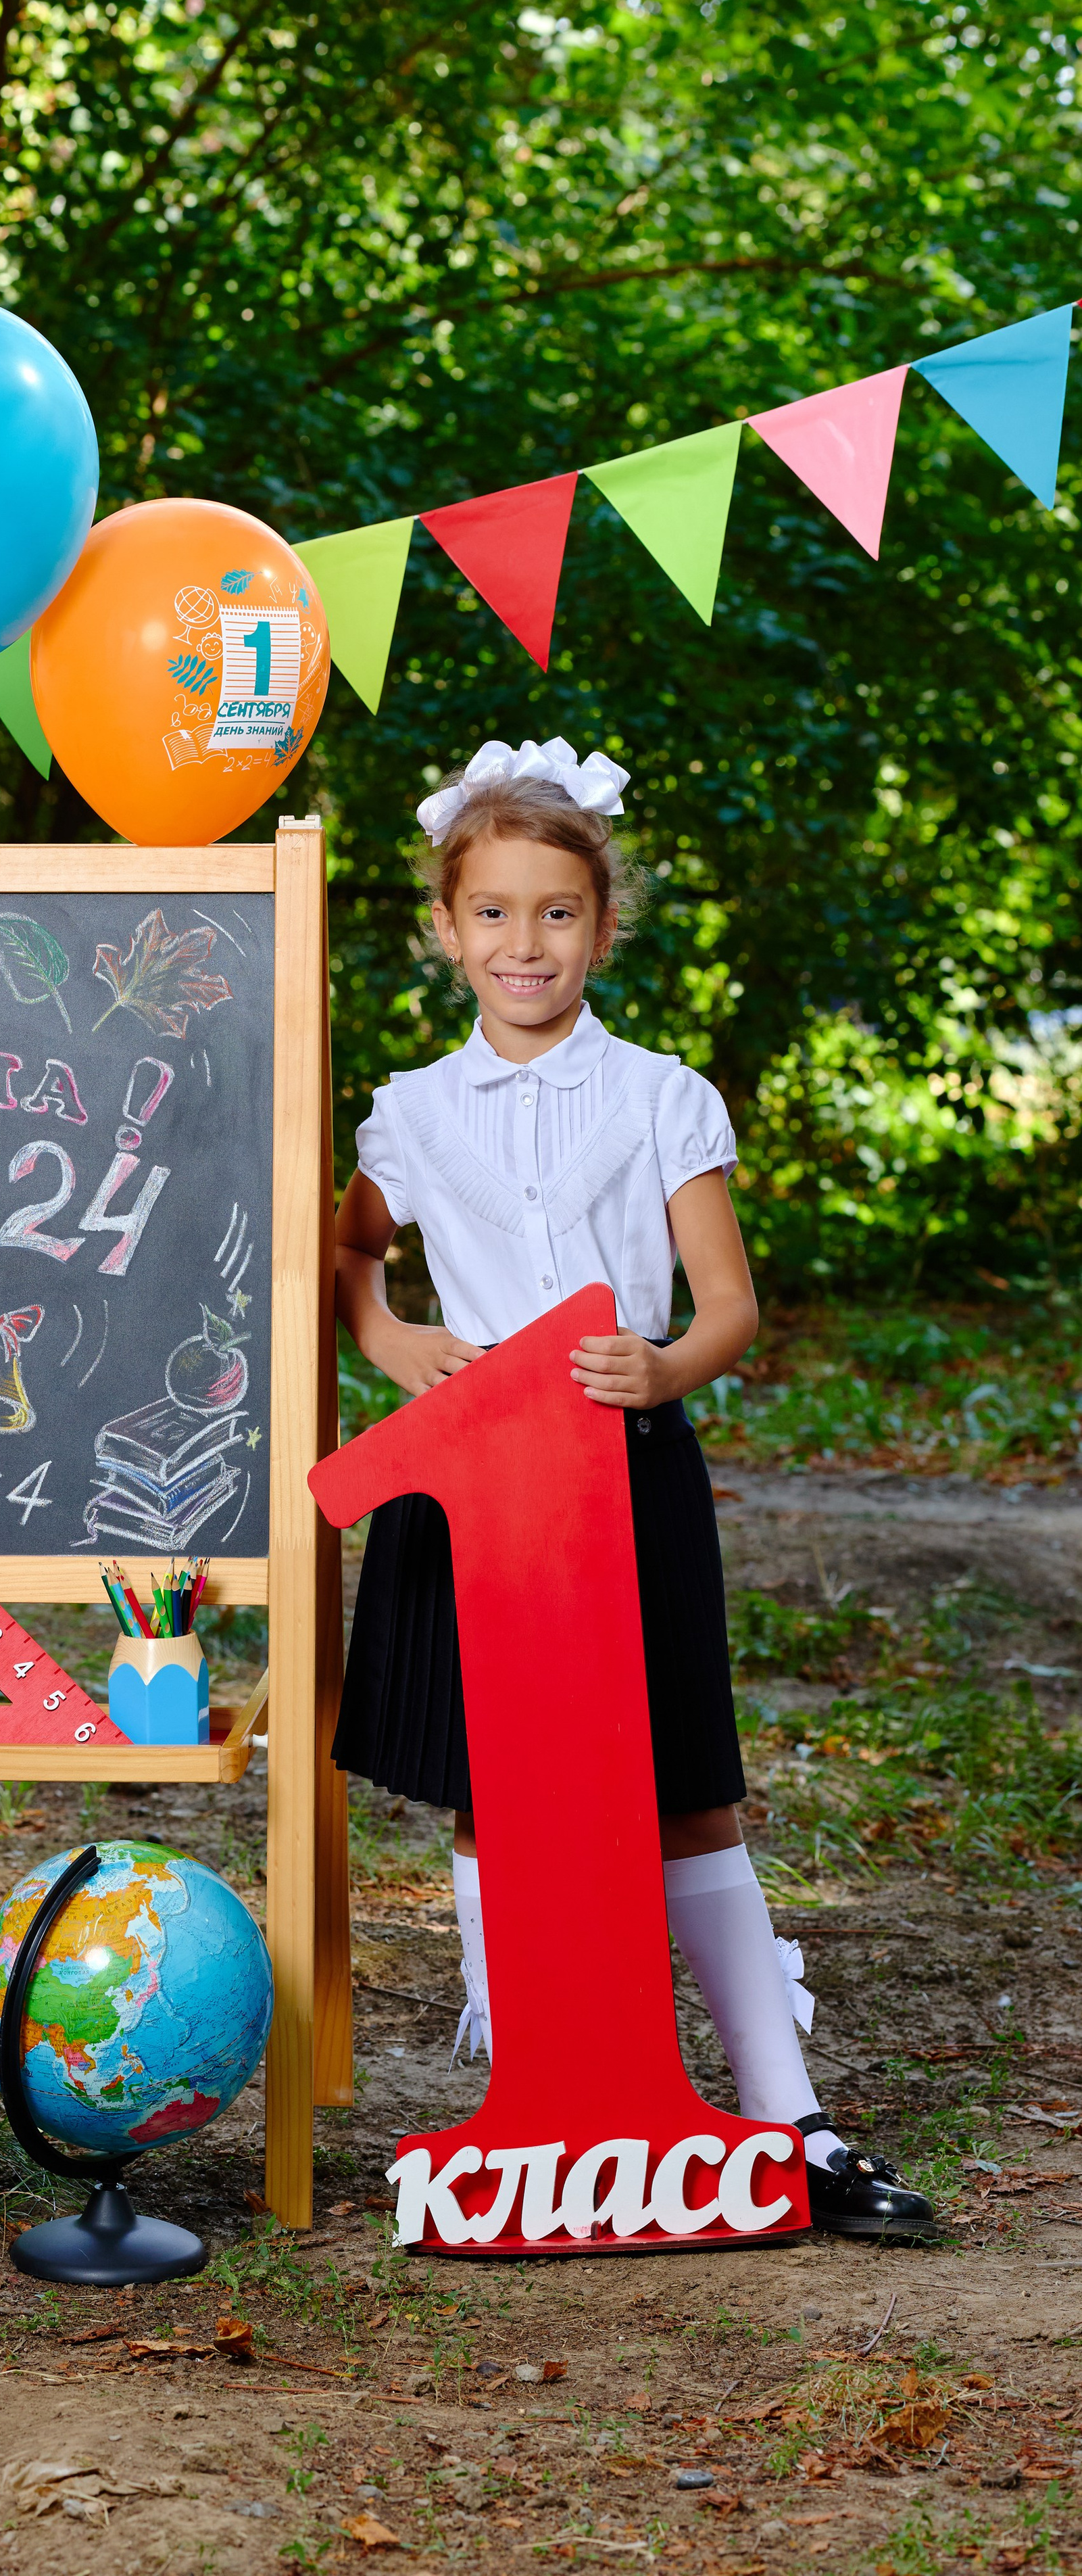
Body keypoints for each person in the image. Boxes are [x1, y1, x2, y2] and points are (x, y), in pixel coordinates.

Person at [332, 736, 937, 2244]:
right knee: (492, 1799)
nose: (520, 944)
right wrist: (393, 1336)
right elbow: (349, 1264)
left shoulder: (664, 1097)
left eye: (553, 914)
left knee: (685, 1795)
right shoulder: (406, 1114)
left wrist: (663, 1369)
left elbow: (725, 1302)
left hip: (623, 1479)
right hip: (472, 1495)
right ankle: (532, 2098)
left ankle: (785, 2111)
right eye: (490, 913)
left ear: (599, 927)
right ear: (443, 927)